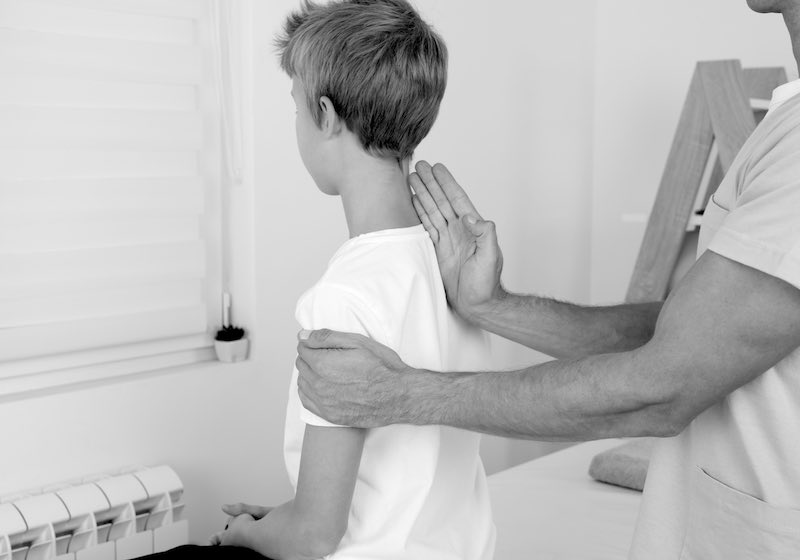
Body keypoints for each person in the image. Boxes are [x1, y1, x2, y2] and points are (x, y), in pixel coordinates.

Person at [291, 1, 800, 558]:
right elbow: (697, 331)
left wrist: (401, 392)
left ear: (324, 113)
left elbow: (664, 385)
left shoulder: (343, 294)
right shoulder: (436, 273)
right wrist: (494, 305)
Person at [200, 1, 494, 559]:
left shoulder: (344, 298)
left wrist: (247, 534)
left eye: (296, 108)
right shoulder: (458, 270)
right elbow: (401, 483)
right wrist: (283, 517)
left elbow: (314, 538)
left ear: (328, 115)